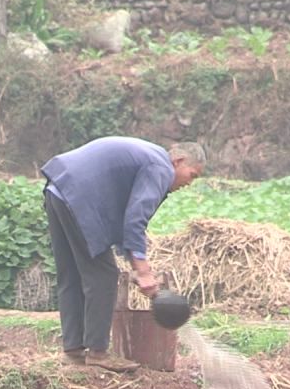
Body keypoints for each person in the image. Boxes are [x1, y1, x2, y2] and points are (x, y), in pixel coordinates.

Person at [41, 137, 205, 371]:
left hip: (58, 190)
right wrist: (144, 271)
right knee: (104, 275)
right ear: (178, 161)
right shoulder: (160, 167)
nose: (189, 183)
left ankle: (73, 350)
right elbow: (135, 220)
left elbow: (124, 222)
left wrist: (134, 263)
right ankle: (97, 351)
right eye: (193, 175)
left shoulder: (150, 157)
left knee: (72, 275)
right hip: (80, 197)